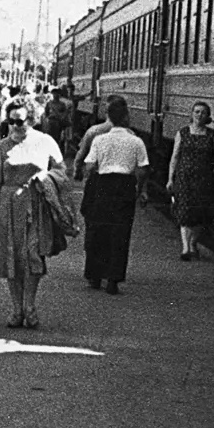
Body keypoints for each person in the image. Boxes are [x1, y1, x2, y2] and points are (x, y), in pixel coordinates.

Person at [0, 97, 66, 327]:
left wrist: (46, 178)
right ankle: (16, 308)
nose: (15, 127)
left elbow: (61, 170)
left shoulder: (46, 141)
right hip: (8, 205)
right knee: (11, 257)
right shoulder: (2, 146)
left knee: (33, 255)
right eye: (11, 121)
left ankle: (29, 304)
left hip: (35, 203)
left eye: (20, 122)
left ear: (32, 119)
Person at [82, 96, 150, 295]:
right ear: (127, 118)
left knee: (98, 230)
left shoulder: (99, 139)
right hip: (125, 186)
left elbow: (90, 166)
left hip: (103, 185)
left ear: (109, 117)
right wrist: (140, 189)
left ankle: (95, 276)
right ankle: (113, 279)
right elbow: (144, 168)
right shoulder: (136, 141)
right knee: (120, 234)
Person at [166, 101, 214, 261]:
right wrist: (170, 178)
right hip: (184, 177)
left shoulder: (212, 135)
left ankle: (193, 244)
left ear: (208, 116)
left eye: (203, 112)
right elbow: (175, 156)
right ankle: (185, 247)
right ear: (191, 114)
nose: (199, 115)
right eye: (197, 112)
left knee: (200, 213)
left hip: (204, 179)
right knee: (185, 211)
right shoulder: (182, 133)